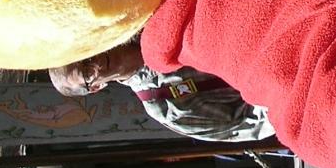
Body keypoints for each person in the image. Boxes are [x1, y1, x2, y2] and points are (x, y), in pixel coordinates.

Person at [49, 36, 274, 144]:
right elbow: (252, 123)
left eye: (85, 53)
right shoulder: (164, 105)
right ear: (96, 88)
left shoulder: (151, 21)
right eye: (86, 73)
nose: (94, 60)